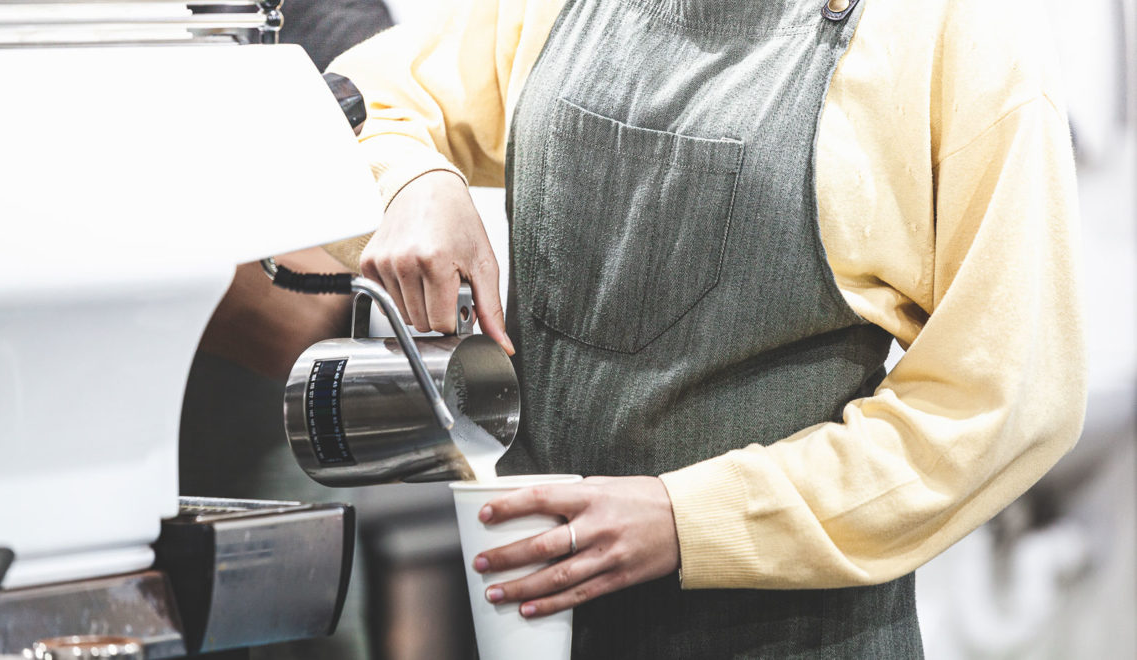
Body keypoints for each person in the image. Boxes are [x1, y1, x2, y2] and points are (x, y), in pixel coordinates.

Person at [323, 0, 1087, 656]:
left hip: (789, 636)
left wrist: (692, 518)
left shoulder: (960, 37)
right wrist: (416, 182)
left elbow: (1001, 403)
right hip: (540, 621)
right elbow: (353, 96)